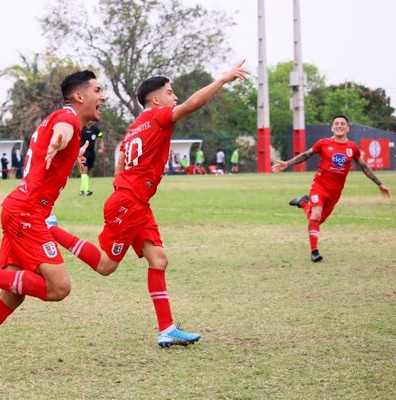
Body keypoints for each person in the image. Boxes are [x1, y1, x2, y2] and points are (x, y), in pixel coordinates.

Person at [47, 60, 249, 347]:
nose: (174, 97)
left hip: (134, 202)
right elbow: (192, 105)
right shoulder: (157, 118)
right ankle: (53, 228)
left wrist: (123, 189)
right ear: (156, 99)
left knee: (158, 259)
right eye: (170, 92)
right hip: (129, 204)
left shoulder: (135, 127)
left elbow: (120, 162)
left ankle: (166, 329)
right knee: (106, 266)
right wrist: (222, 80)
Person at [0, 70, 106, 378]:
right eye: (98, 90)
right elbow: (62, 130)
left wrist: (68, 152)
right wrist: (63, 139)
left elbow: (54, 143)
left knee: (14, 293)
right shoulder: (67, 119)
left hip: (20, 208)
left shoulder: (64, 122)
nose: (103, 96)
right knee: (59, 288)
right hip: (27, 213)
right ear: (79, 96)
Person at [272, 114, 390, 262]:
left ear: (347, 128)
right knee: (315, 216)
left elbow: (364, 166)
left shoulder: (352, 148)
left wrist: (379, 183)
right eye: (336, 123)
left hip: (335, 192)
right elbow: (306, 155)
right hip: (319, 186)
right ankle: (314, 252)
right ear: (332, 127)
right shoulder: (323, 143)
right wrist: (287, 163)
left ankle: (303, 203)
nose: (339, 125)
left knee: (316, 221)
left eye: (342, 123)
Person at [78, 122, 105, 195]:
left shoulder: (95, 129)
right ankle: (86, 191)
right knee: (85, 169)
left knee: (86, 172)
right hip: (82, 152)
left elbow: (101, 138)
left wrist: (101, 148)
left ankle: (81, 190)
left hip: (91, 153)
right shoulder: (81, 128)